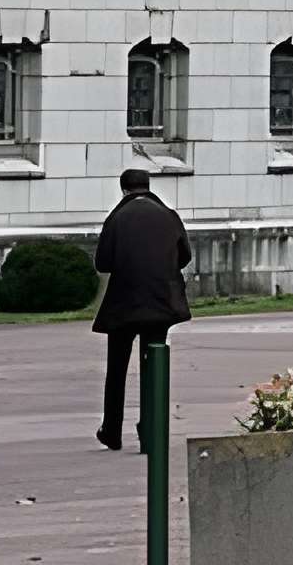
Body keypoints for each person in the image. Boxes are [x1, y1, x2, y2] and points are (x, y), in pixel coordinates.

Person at [93, 166, 192, 452]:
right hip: (161, 303)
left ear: (123, 188)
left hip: (124, 304)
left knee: (117, 369)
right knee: (153, 366)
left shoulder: (116, 218)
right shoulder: (169, 216)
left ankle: (111, 430)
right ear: (148, 186)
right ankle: (150, 429)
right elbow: (184, 256)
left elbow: (103, 263)